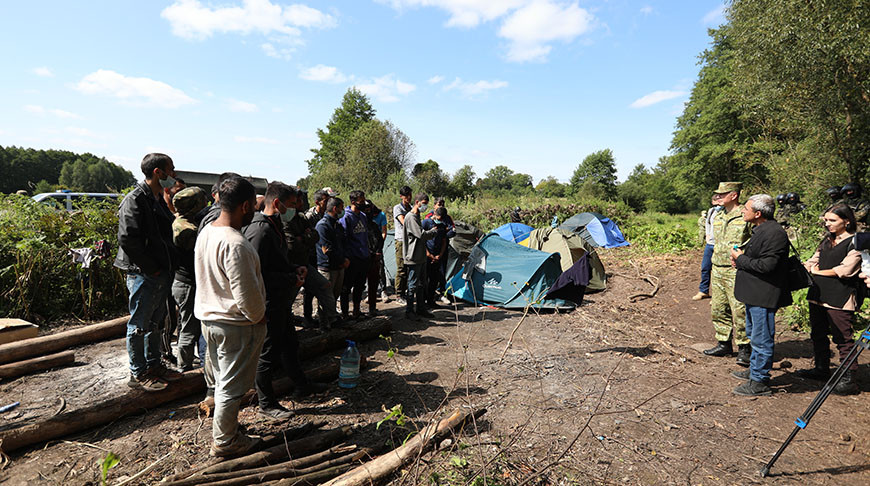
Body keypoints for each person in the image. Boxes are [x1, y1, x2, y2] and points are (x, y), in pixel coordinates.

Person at [194, 176, 266, 457]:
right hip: (234, 324)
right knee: (231, 387)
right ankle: (225, 442)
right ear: (246, 206)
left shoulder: (207, 233)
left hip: (210, 320)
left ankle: (228, 429)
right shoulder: (235, 243)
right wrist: (259, 318)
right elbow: (246, 295)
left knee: (222, 381)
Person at [243, 182, 322, 421]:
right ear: (276, 204)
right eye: (290, 205)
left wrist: (294, 269)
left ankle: (302, 384)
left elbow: (277, 261)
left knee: (289, 344)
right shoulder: (260, 231)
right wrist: (290, 277)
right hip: (268, 302)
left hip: (281, 300)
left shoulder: (275, 225)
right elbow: (257, 273)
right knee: (267, 354)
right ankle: (266, 403)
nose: (294, 210)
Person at [114, 153, 183, 391]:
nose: (173, 174)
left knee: (156, 322)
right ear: (158, 172)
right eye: (170, 170)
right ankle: (139, 372)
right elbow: (127, 239)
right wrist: (150, 268)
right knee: (140, 324)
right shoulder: (135, 200)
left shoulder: (156, 198)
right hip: (143, 273)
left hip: (159, 272)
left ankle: (155, 365)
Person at [729, 194, 791, 396]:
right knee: (753, 335)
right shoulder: (761, 230)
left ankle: (760, 381)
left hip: (763, 294)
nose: (742, 211)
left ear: (757, 213)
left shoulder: (774, 233)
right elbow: (757, 259)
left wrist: (741, 260)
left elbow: (767, 266)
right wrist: (742, 259)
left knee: (762, 338)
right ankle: (755, 370)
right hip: (754, 293)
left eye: (745, 209)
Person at [797, 204, 861, 395]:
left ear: (847, 221)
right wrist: (806, 266)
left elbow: (846, 269)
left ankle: (849, 379)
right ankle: (821, 368)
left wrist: (816, 271)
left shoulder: (856, 243)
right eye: (826, 220)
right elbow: (814, 258)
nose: (827, 224)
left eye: (832, 220)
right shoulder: (827, 239)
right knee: (817, 333)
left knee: (843, 338)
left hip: (840, 296)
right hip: (819, 294)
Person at [703, 182, 753, 367]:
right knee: (718, 308)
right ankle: (723, 343)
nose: (718, 197)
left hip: (736, 269)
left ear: (733, 195)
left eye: (722, 194)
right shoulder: (718, 214)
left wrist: (744, 258)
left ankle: (744, 348)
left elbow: (755, 240)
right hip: (717, 267)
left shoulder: (745, 214)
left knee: (739, 309)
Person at [285, 189, 339, 330]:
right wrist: (306, 237)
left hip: (306, 263)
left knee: (323, 286)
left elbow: (315, 236)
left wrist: (302, 238)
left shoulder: (301, 218)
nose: (301, 203)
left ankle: (330, 320)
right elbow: (291, 244)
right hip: (290, 267)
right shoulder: (285, 219)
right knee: (288, 299)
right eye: (298, 201)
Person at [171, 186, 208, 371]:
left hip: (186, 283)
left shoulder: (185, 222)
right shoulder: (185, 229)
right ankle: (183, 367)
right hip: (187, 284)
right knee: (189, 327)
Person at [403, 193, 439, 319]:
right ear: (417, 202)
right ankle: (409, 311)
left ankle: (420, 308)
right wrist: (434, 231)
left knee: (421, 284)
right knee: (412, 285)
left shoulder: (417, 215)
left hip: (420, 256)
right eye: (423, 203)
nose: (425, 206)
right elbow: (421, 235)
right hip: (413, 256)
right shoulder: (411, 217)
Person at [339, 190, 371, 320]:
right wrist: (347, 257)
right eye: (361, 202)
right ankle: (345, 313)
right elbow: (344, 239)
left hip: (364, 257)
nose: (363, 204)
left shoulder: (362, 216)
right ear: (353, 202)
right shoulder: (346, 217)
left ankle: (356, 311)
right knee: (346, 287)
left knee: (360, 286)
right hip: (352, 259)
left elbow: (364, 236)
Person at [316, 197, 350, 303]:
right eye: (341, 208)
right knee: (326, 298)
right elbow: (327, 249)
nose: (343, 210)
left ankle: (333, 317)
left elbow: (343, 243)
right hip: (328, 268)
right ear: (335, 208)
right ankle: (325, 319)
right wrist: (341, 261)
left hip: (339, 267)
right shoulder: (323, 226)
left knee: (334, 297)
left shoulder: (337, 224)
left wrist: (345, 259)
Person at [694, 198, 722, 300]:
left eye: (719, 198)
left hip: (720, 244)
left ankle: (717, 297)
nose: (717, 201)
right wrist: (707, 234)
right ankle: (703, 290)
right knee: (705, 267)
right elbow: (708, 223)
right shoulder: (712, 211)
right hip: (710, 244)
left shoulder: (726, 211)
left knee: (718, 270)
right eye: (715, 199)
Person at [362, 200, 386, 316]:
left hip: (375, 259)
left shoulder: (374, 225)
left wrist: (377, 254)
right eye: (365, 209)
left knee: (373, 284)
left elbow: (380, 240)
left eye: (369, 209)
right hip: (362, 258)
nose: (368, 212)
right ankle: (356, 311)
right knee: (359, 286)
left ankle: (372, 308)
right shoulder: (359, 226)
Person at [423, 207, 449, 308]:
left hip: (437, 257)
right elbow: (420, 240)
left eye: (442, 218)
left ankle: (431, 300)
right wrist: (428, 254)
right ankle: (422, 302)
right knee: (424, 279)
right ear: (434, 214)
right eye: (439, 217)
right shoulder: (426, 223)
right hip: (426, 256)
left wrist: (440, 255)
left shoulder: (442, 226)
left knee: (434, 280)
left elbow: (444, 241)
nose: (440, 220)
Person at [393, 186, 413, 305]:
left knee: (408, 267)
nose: (408, 198)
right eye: (406, 196)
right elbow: (404, 221)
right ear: (401, 196)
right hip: (401, 240)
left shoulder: (410, 208)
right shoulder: (398, 208)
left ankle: (405, 292)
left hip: (410, 241)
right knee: (401, 268)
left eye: (409, 195)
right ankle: (399, 294)